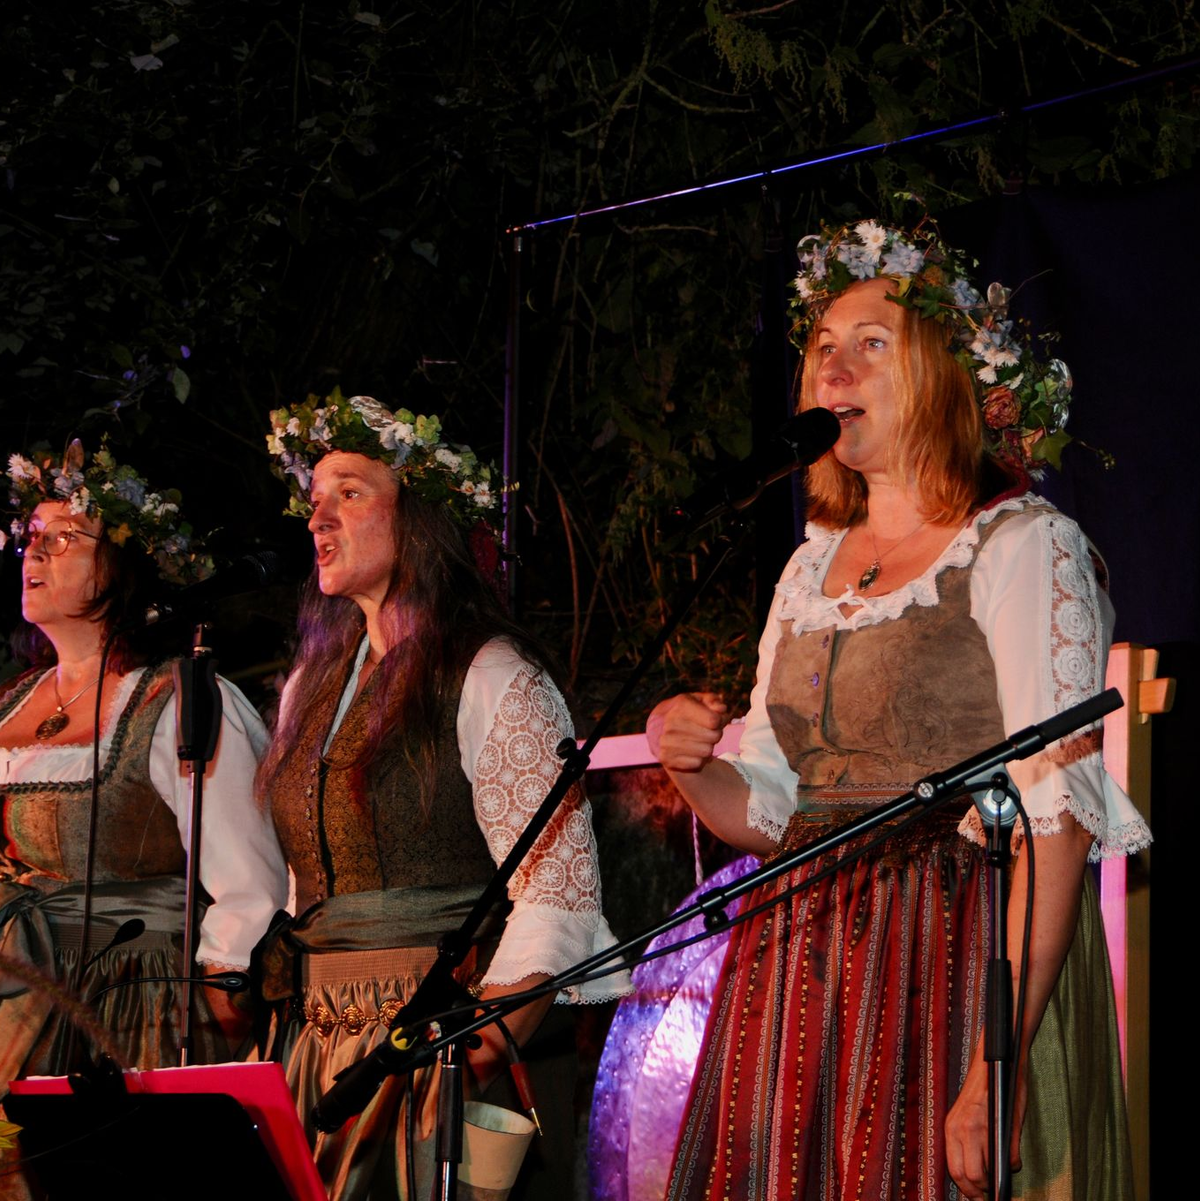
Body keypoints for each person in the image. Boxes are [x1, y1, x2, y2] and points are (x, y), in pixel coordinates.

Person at [647, 219, 1149, 1201]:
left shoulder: (1021, 545)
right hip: (794, 971)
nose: (835, 368)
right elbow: (773, 807)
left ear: (943, 376)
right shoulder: (806, 567)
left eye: (872, 344)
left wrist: (992, 1065)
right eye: (823, 349)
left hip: (954, 955)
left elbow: (1058, 818)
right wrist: (693, 765)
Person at [260, 394, 628, 1200]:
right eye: (314, 500)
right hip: (320, 1052)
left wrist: (478, 1044)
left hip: (442, 1049)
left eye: (349, 493)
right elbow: (309, 888)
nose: (319, 518)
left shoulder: (490, 673)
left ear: (418, 515)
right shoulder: (309, 690)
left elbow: (557, 893)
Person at [0, 442, 288, 1087]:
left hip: (133, 1004)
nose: (37, 554)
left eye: (67, 537)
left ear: (124, 567)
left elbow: (250, 874)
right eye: (34, 537)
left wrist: (224, 992)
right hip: (19, 998)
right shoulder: (10, 703)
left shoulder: (177, 698)